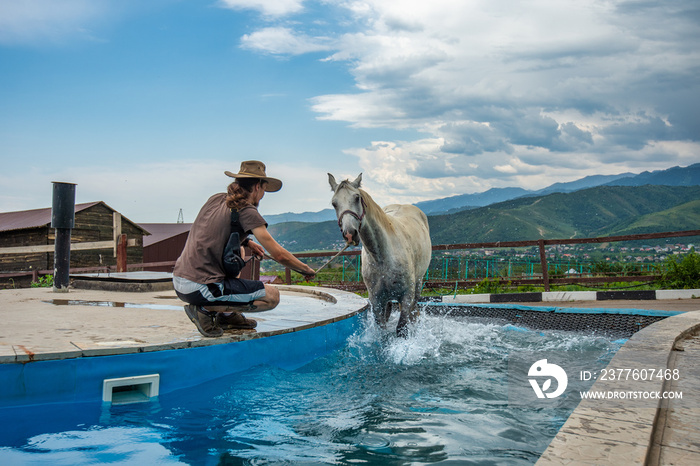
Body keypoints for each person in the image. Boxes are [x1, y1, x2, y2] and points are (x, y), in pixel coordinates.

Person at [173, 160, 316, 337]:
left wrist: (247, 242)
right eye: (264, 190)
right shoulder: (247, 210)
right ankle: (205, 310)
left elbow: (214, 230)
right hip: (202, 288)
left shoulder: (216, 199)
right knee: (272, 297)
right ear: (257, 187)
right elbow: (278, 253)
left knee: (239, 252)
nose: (263, 195)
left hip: (180, 282)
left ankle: (227, 315)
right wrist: (306, 270)